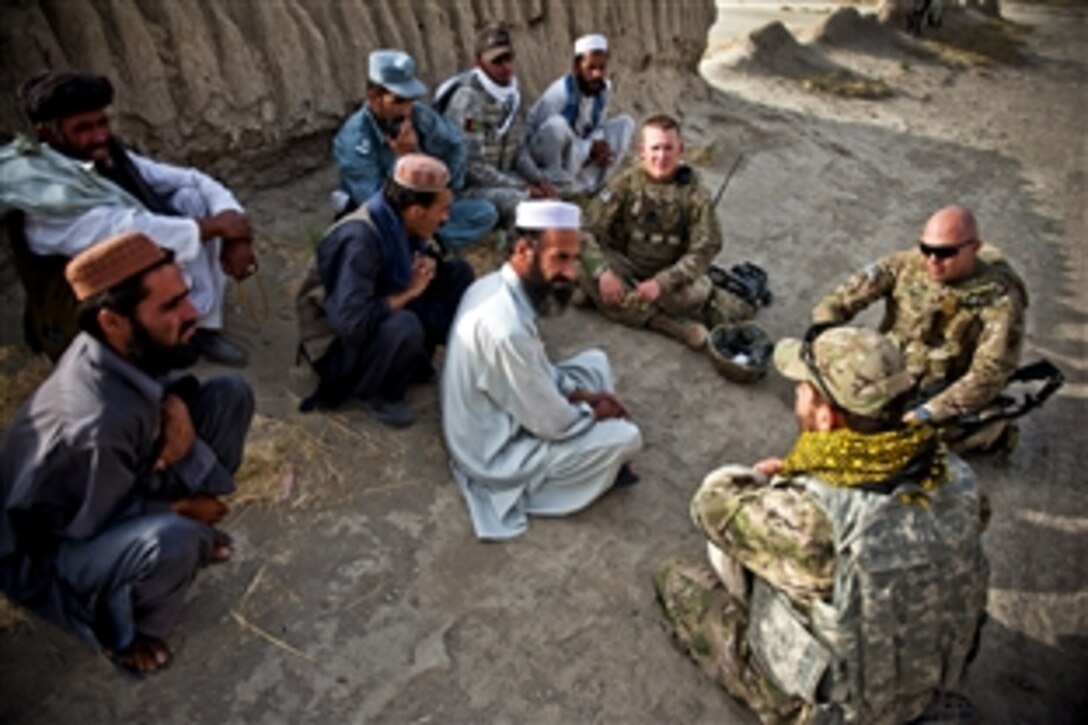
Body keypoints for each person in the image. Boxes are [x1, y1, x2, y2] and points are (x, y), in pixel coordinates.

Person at [656, 325, 989, 723]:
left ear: (826, 418)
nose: (795, 395)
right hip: (929, 681)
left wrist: (761, 480)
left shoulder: (810, 521)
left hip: (838, 710)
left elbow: (709, 506)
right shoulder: (955, 475)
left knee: (676, 577)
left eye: (801, 389)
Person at [0, 231, 255, 675]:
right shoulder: (94, 424)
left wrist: (171, 403)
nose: (192, 312)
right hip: (52, 545)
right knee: (174, 540)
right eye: (170, 306)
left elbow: (151, 384)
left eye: (185, 296)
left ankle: (172, 531)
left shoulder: (118, 346)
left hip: (113, 480)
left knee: (229, 396)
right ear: (112, 321)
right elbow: (81, 523)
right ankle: (128, 635)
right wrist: (179, 508)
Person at [0, 70, 257, 366]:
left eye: (102, 123)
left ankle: (199, 328)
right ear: (48, 133)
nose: (99, 135)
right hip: (76, 306)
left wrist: (235, 232)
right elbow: (130, 230)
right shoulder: (42, 188)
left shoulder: (102, 154)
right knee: (161, 246)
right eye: (83, 128)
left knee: (191, 199)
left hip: (128, 263)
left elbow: (192, 179)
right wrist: (218, 228)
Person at [441, 200, 643, 540]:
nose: (573, 273)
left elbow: (538, 366)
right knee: (627, 438)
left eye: (575, 259)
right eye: (560, 259)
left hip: (506, 402)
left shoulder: (497, 285)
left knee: (595, 362)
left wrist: (583, 395)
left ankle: (596, 447)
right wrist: (594, 413)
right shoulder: (505, 327)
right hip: (490, 449)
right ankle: (577, 478)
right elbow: (553, 424)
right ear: (523, 250)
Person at [812, 205, 1027, 451]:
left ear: (974, 248)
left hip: (941, 390)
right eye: (926, 249)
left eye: (946, 253)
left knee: (906, 445)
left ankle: (991, 432)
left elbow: (990, 373)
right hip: (888, 370)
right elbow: (839, 300)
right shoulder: (905, 265)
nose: (932, 260)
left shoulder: (1000, 299)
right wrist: (824, 339)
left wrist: (928, 412)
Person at [297, 154, 474, 428]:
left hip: (367, 320)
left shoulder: (400, 222)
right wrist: (410, 292)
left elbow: (405, 268)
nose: (446, 219)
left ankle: (415, 365)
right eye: (443, 210)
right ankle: (378, 393)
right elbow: (351, 324)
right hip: (335, 348)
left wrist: (426, 269)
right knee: (405, 324)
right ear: (416, 211)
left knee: (456, 273)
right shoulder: (359, 240)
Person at [581, 114, 754, 350]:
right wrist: (602, 273)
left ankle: (607, 303)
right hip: (627, 264)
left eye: (668, 148)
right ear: (641, 150)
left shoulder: (694, 192)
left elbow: (706, 248)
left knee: (695, 293)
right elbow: (586, 228)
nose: (661, 156)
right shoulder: (625, 183)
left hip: (671, 278)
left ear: (680, 149)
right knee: (580, 267)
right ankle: (669, 326)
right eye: (655, 148)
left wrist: (662, 283)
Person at [332, 49, 497, 252]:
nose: (406, 110)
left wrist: (449, 189)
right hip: (392, 218)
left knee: (485, 213)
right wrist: (403, 159)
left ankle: (431, 243)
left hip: (428, 205)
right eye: (398, 101)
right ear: (374, 97)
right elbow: (376, 204)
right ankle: (422, 243)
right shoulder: (354, 140)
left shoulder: (419, 115)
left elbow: (455, 144)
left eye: (410, 100)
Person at [436, 25, 558, 229]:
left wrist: (539, 180)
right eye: (497, 61)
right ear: (479, 63)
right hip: (472, 188)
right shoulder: (469, 99)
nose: (505, 67)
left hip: (503, 178)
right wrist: (523, 188)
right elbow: (473, 167)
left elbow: (518, 151)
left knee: (558, 185)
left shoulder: (511, 95)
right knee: (528, 206)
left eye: (508, 59)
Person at [525, 33, 635, 195]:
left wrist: (599, 145)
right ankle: (556, 186)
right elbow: (544, 137)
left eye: (601, 68)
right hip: (551, 158)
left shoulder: (604, 89)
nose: (597, 74)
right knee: (558, 125)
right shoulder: (559, 93)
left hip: (579, 151)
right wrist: (589, 148)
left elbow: (598, 125)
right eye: (591, 68)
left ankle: (591, 185)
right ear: (576, 68)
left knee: (625, 123)